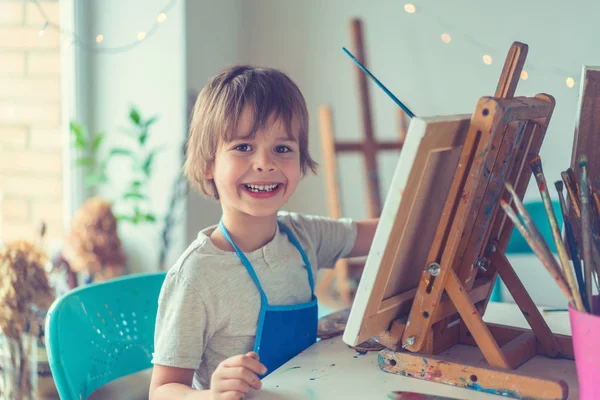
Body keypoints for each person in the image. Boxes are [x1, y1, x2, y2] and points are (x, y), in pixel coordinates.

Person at [149, 65, 378, 400]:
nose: (264, 163)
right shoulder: (195, 277)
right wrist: (210, 394)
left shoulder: (303, 235)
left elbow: (389, 234)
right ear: (207, 163)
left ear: (301, 162)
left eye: (282, 149)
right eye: (243, 147)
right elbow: (162, 391)